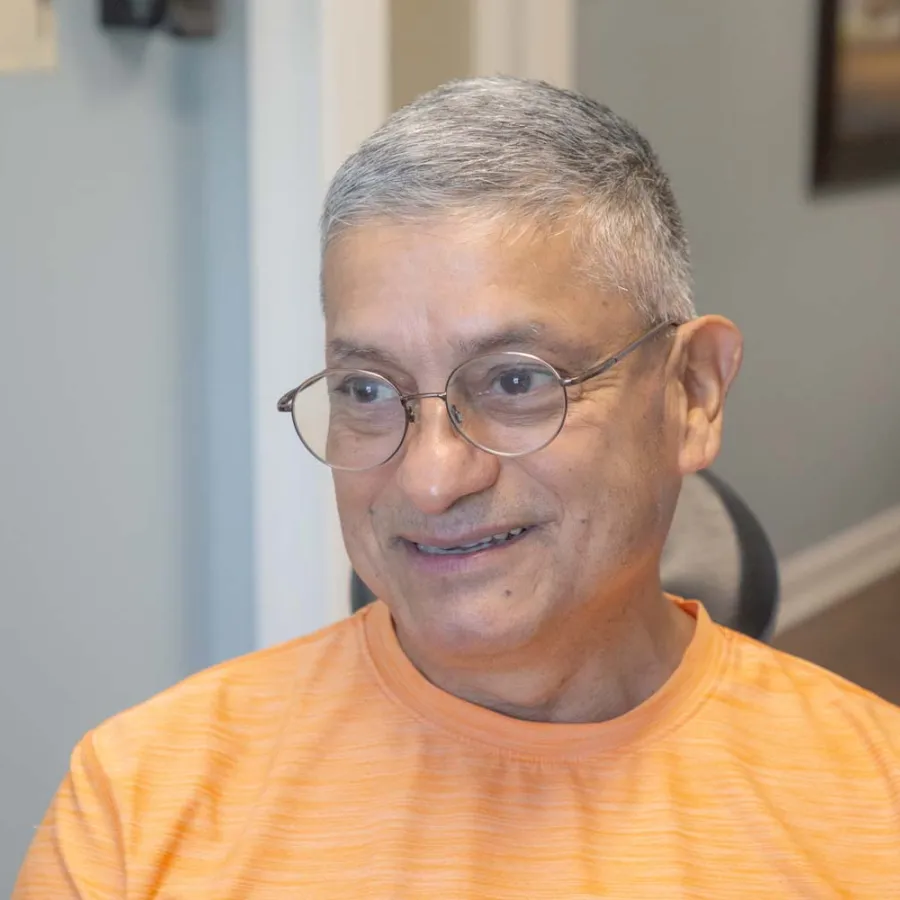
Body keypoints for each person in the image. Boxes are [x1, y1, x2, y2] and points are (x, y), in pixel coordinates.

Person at [15, 77, 900, 898]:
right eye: (367, 391)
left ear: (692, 393)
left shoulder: (874, 803)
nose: (431, 478)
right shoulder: (139, 802)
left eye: (516, 381)